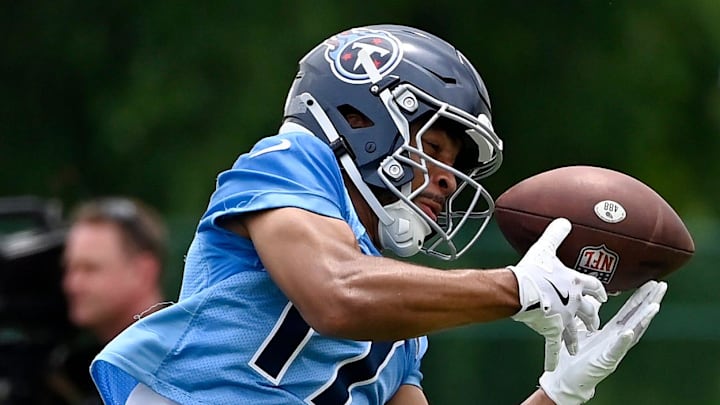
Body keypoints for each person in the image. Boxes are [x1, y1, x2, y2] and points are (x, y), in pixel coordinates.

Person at [89, 25, 666, 405]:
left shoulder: (399, 314)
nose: (446, 179)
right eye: (436, 150)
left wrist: (558, 393)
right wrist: (516, 287)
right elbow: (336, 292)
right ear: (363, 118)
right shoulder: (288, 164)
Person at [62, 197, 168, 343]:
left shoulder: (182, 359)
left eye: (90, 269)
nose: (72, 285)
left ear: (144, 272)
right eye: (71, 269)